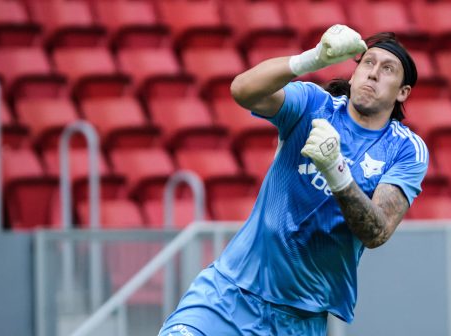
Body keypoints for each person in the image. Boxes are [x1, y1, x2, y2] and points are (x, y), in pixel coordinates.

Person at [159, 24, 428, 336]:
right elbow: (243, 91)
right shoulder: (314, 104)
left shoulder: (406, 150)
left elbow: (377, 231)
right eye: (368, 63)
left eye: (388, 69)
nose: (373, 73)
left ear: (402, 91)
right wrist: (310, 59)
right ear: (353, 74)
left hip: (300, 320)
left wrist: (336, 171)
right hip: (228, 294)